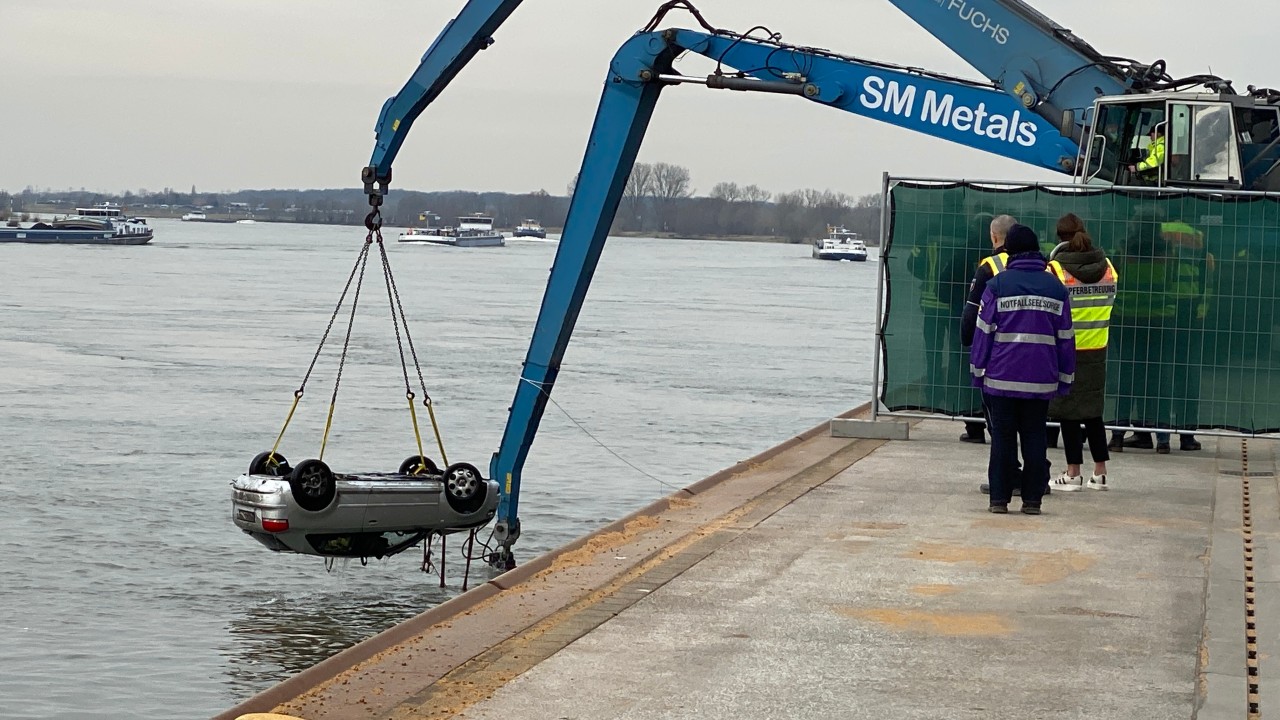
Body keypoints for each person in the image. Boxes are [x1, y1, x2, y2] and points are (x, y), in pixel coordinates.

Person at [970, 224, 1075, 514]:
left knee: (1002, 440)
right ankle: (1032, 501)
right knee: (1034, 438)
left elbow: (983, 333)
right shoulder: (1056, 288)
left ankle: (998, 500)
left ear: (1009, 251)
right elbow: (1066, 338)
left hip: (1001, 380)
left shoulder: (997, 286)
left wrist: (977, 373)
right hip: (1041, 382)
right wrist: (1065, 379)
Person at [1044, 214, 1117, 491]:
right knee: (1092, 409)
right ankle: (1100, 471)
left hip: (1066, 346)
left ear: (1060, 237)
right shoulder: (1108, 266)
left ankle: (1073, 471)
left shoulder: (1055, 269)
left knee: (1067, 410)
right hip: (1098, 346)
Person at [959, 213, 1019, 444]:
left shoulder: (989, 266)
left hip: (996, 346)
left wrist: (967, 338)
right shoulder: (1040, 265)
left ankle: (1004, 471)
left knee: (996, 409)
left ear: (994, 237)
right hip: (1030, 345)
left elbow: (973, 307)